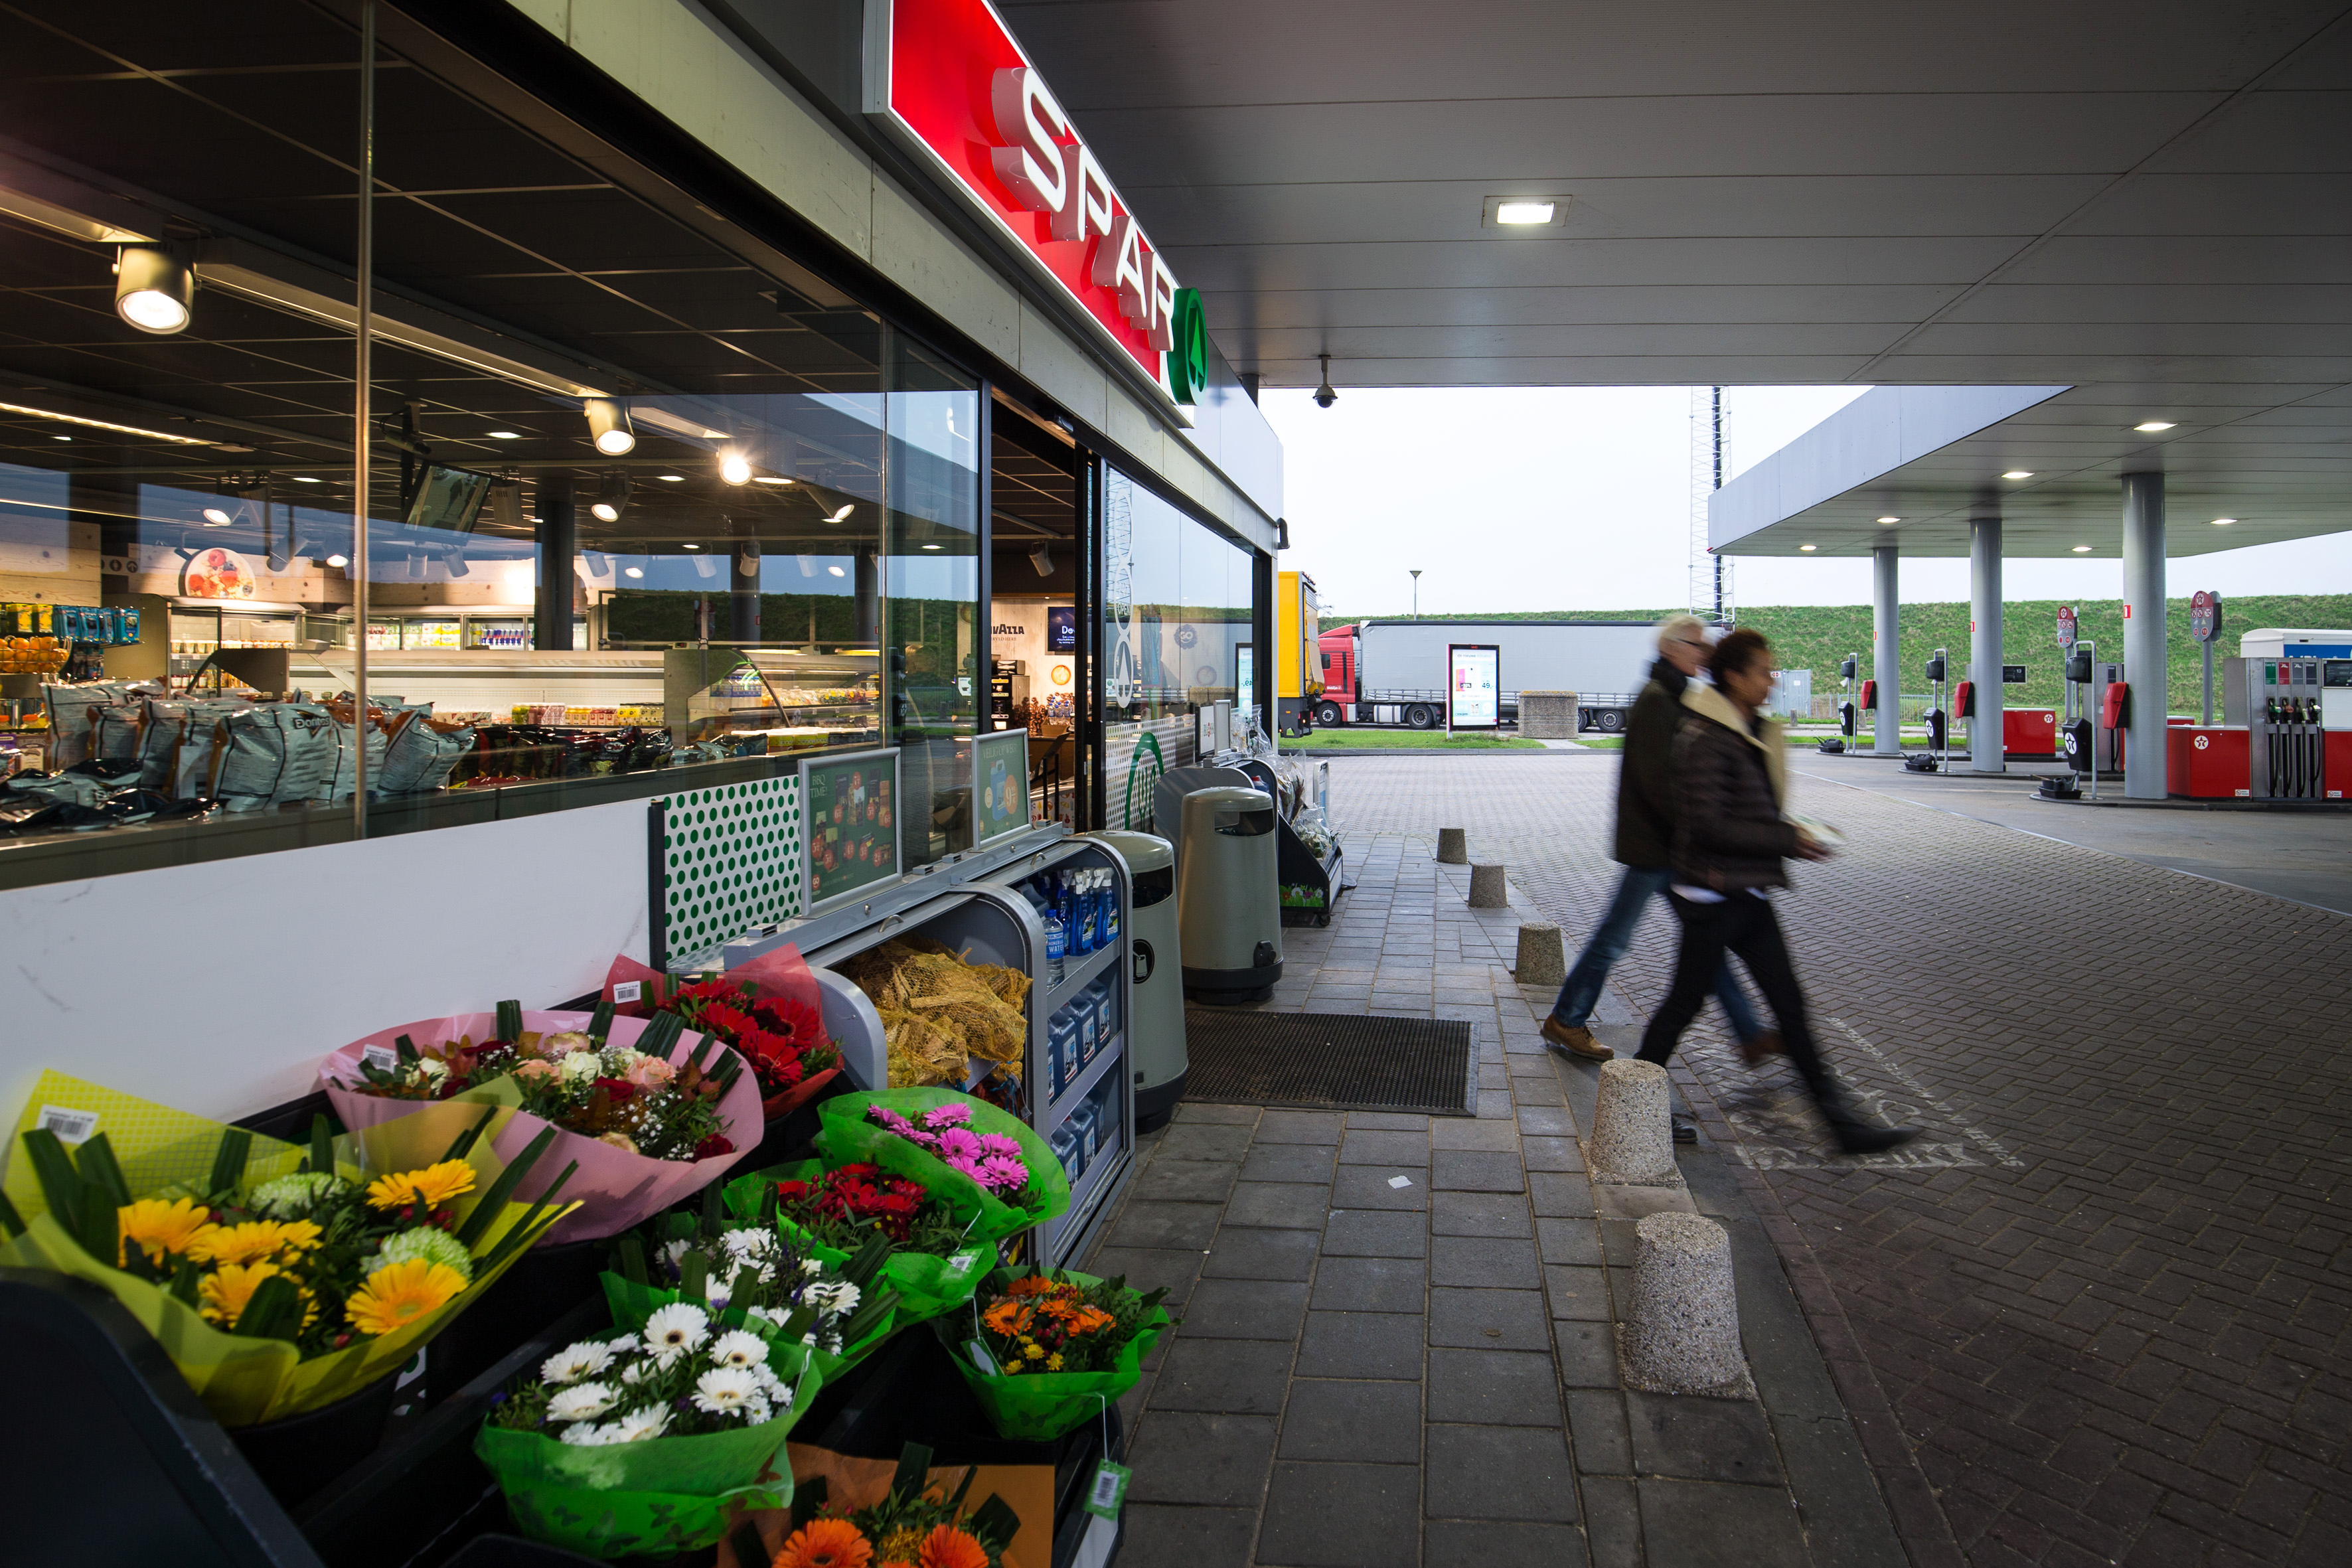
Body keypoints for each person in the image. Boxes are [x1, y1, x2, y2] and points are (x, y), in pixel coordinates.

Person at [1637, 627, 1919, 1156]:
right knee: (1682, 1005)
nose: (1771, 680)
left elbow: (1749, 813)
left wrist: (1789, 835)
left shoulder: (1747, 731)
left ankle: (1842, 1126)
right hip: (1712, 896)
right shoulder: (1706, 737)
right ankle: (1628, 1102)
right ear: (1735, 677)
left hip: (1747, 893)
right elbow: (1710, 826)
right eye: (1763, 671)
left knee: (1790, 1008)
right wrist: (1789, 838)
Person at [1543, 614, 1778, 1079]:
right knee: (1617, 939)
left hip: (1665, 846)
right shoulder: (1656, 700)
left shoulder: (1673, 694)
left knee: (1704, 942)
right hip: (1655, 848)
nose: (1704, 653)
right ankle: (1567, 1019)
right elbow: (1656, 783)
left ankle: (1749, 1034)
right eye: (1696, 645)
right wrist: (1696, 831)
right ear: (1672, 648)